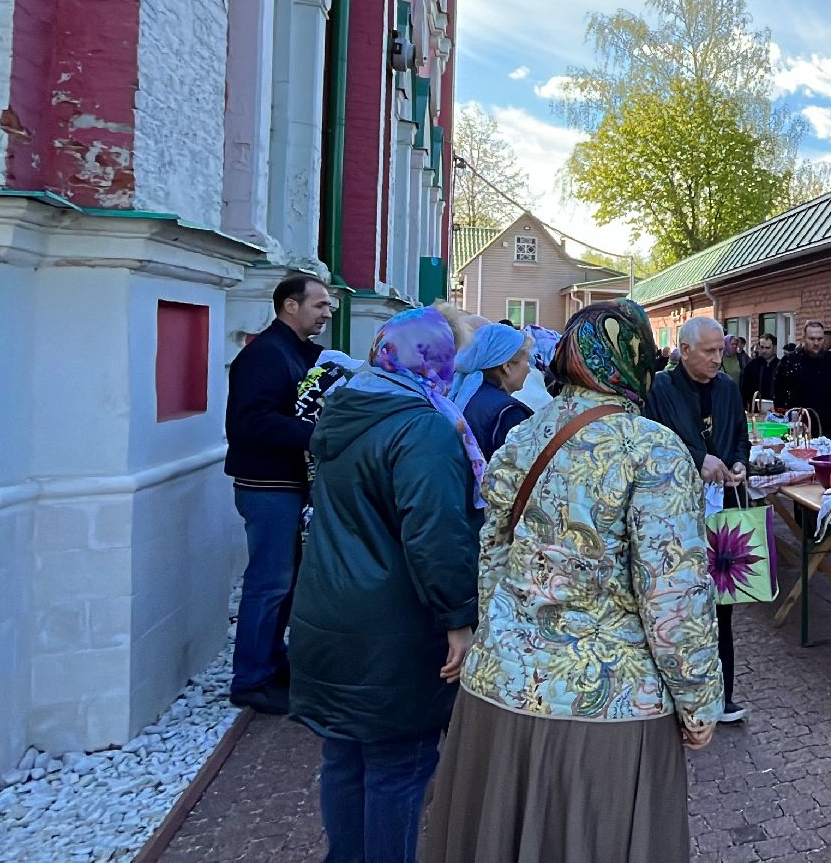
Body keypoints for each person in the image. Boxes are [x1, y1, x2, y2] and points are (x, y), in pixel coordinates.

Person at [422, 301, 720, 862]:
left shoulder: (524, 436)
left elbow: (491, 554)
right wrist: (699, 700)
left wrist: (500, 638)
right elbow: (674, 598)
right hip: (607, 708)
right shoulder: (651, 451)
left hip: (500, 693)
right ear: (634, 362)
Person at [289, 308, 484, 862]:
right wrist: (458, 617)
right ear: (436, 359)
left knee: (345, 757)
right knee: (399, 767)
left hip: (328, 609)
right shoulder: (423, 426)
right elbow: (436, 533)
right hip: (392, 626)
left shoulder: (350, 405)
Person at [223, 273, 332, 714]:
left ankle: (270, 661)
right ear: (290, 306)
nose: (327, 313)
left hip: (288, 485)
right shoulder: (265, 355)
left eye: (329, 307)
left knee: (283, 583)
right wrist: (316, 435)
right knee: (268, 583)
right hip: (267, 486)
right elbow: (250, 421)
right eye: (320, 305)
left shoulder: (298, 353)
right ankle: (250, 678)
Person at [644, 317, 751, 725]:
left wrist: (739, 462)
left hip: (720, 510)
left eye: (720, 350)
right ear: (683, 351)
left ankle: (722, 695)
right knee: (676, 602)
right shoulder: (660, 388)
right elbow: (654, 442)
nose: (716, 358)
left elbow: (740, 436)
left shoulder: (726, 387)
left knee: (722, 605)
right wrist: (695, 458)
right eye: (708, 351)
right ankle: (673, 695)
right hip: (673, 513)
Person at [451, 323, 535, 459]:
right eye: (527, 361)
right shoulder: (508, 413)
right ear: (507, 366)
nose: (529, 369)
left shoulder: (464, 396)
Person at [774, 320, 831, 449]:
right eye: (812, 339)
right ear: (803, 338)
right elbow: (779, 393)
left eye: (819, 339)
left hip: (829, 425)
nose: (816, 343)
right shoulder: (790, 362)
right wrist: (786, 418)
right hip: (799, 426)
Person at [743, 332, 780, 411]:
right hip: (754, 409)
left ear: (774, 347)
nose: (764, 351)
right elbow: (744, 389)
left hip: (776, 409)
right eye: (762, 347)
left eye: (767, 348)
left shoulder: (780, 366)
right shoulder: (751, 365)